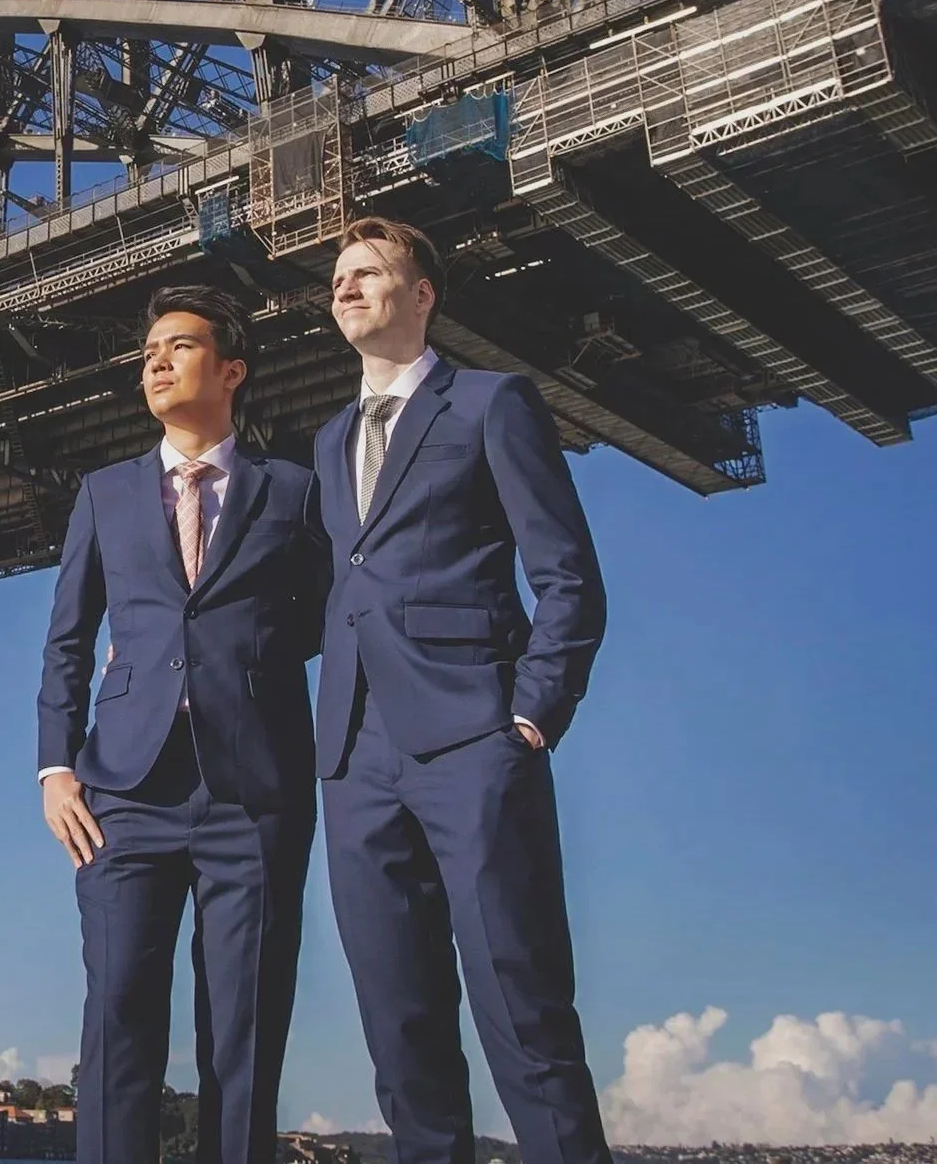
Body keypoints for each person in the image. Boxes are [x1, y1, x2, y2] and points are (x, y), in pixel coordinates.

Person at [313, 215, 613, 1164]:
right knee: (398, 1032)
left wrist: (529, 716)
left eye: (367, 272)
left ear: (422, 294)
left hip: (473, 739)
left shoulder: (491, 403)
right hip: (354, 756)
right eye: (337, 278)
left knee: (521, 1009)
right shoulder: (326, 442)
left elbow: (566, 573)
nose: (345, 288)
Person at [36, 285, 328, 1164]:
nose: (155, 361)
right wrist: (54, 769)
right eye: (148, 351)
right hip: (123, 791)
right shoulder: (104, 493)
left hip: (256, 789)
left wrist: (242, 662)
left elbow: (325, 615)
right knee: (118, 1005)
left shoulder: (295, 490)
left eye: (179, 346)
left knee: (243, 1020)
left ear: (232, 369)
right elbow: (66, 639)